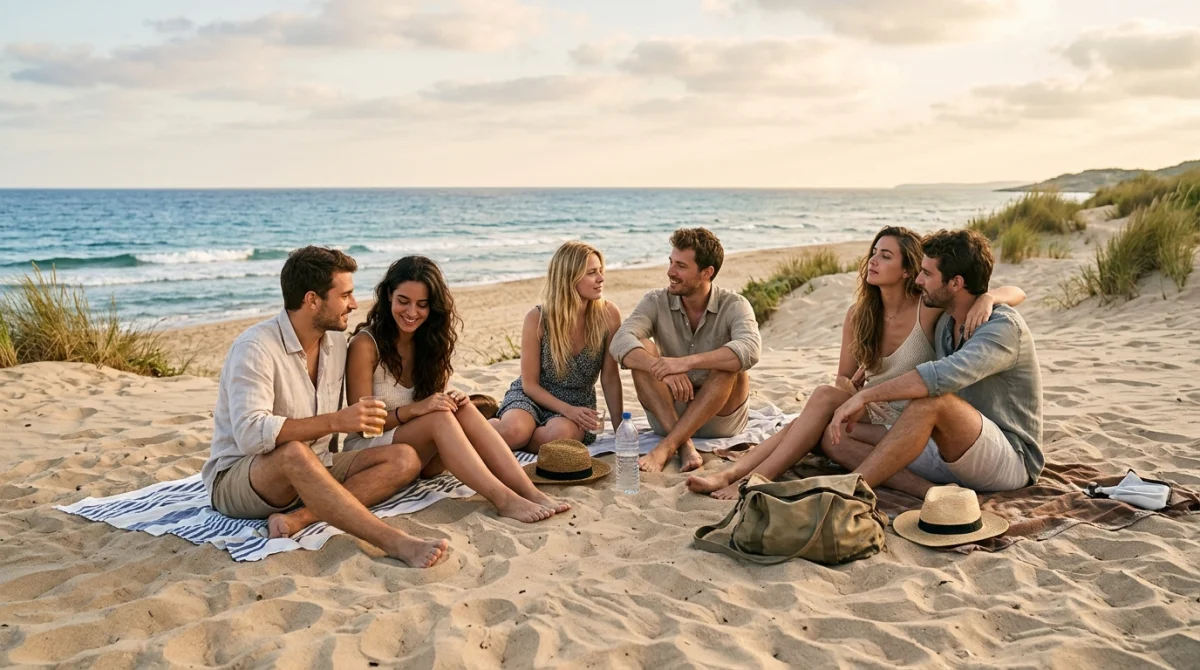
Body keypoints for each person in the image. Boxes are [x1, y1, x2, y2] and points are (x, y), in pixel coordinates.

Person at [687, 226, 1026, 499]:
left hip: (926, 424)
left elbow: (997, 296)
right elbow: (842, 382)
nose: (873, 261)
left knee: (823, 422)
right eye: (874, 253)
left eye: (886, 255)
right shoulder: (862, 315)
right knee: (822, 405)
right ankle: (736, 474)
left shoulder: (932, 309)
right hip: (892, 423)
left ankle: (759, 479)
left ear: (908, 270)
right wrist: (850, 394)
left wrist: (989, 297)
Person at [201, 247, 448, 569]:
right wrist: (335, 422)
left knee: (405, 458)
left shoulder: (336, 345)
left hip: (318, 466)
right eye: (345, 295)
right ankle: (394, 542)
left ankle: (302, 517)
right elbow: (250, 435)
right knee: (293, 452)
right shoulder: (256, 348)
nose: (354, 304)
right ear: (312, 300)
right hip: (242, 480)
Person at [344, 255, 569, 523]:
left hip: (424, 457)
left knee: (460, 407)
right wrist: (417, 410)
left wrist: (450, 398)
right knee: (439, 417)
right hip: (373, 450)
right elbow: (363, 427)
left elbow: (434, 405)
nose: (411, 312)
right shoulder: (366, 345)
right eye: (403, 301)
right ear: (389, 296)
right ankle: (504, 500)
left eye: (422, 305)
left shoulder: (429, 343)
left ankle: (529, 492)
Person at [823, 229, 1043, 499]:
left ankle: (849, 494)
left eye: (927, 274)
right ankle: (934, 493)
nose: (918, 280)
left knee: (933, 400)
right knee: (836, 439)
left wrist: (866, 396)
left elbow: (938, 376)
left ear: (955, 283)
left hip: (1008, 459)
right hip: (948, 447)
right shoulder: (946, 324)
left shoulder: (1002, 328)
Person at [609, 227, 761, 473]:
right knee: (643, 349)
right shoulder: (655, 301)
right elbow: (619, 341)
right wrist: (663, 370)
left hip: (721, 418)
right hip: (669, 413)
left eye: (681, 266)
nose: (670, 272)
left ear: (706, 272)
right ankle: (683, 445)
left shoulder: (735, 304)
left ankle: (668, 446)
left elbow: (751, 349)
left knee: (730, 362)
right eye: (671, 262)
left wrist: (687, 363)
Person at [489, 241, 624, 452]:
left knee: (560, 437)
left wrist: (620, 430)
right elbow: (530, 385)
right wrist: (565, 409)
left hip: (578, 405)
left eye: (600, 270)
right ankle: (491, 429)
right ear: (569, 277)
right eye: (591, 273)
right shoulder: (538, 318)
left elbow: (610, 378)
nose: (601, 278)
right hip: (533, 397)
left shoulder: (608, 315)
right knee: (514, 431)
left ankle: (516, 438)